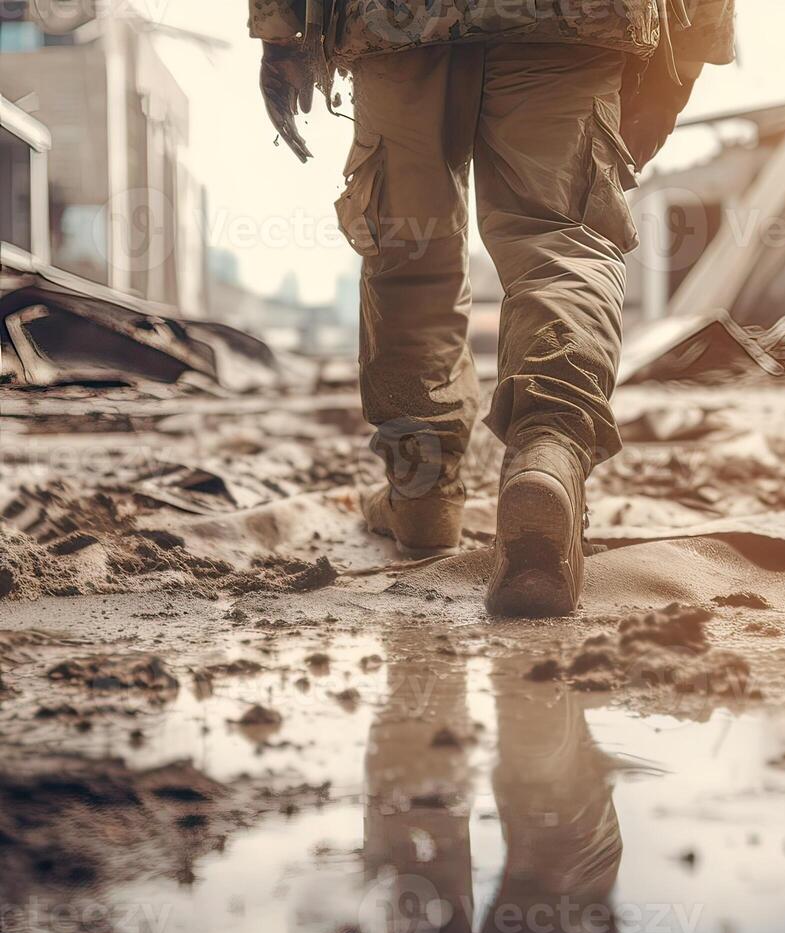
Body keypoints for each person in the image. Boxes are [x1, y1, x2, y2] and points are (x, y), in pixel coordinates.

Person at [250, 0, 736, 617]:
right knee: (560, 237)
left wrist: (279, 34)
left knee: (410, 248)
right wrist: (690, 50)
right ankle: (548, 452)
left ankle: (420, 487)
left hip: (396, 20)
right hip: (573, 19)